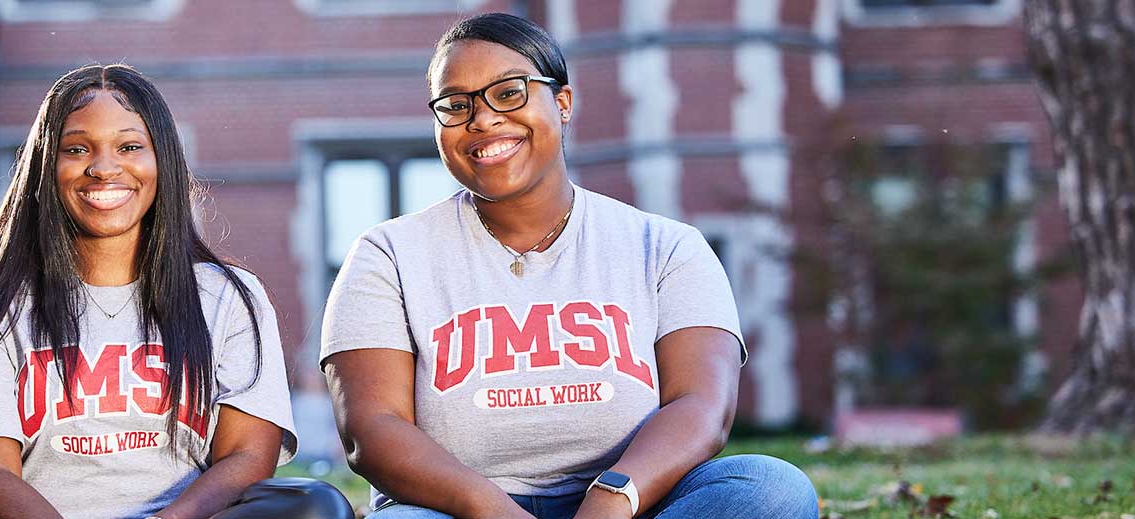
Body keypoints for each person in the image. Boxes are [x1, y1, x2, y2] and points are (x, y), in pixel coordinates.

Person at [321, 13, 819, 519]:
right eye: (456, 105)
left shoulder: (666, 247)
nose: (483, 118)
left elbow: (701, 407)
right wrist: (493, 510)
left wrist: (612, 497)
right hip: (456, 511)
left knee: (770, 488)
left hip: (636, 503)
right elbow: (372, 430)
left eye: (509, 93)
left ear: (562, 103)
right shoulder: (386, 255)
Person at [0, 64, 351, 519]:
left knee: (314, 505)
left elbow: (246, 457)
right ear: (46, 167)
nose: (104, 168)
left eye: (129, 147)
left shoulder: (227, 296)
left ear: (161, 159)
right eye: (77, 148)